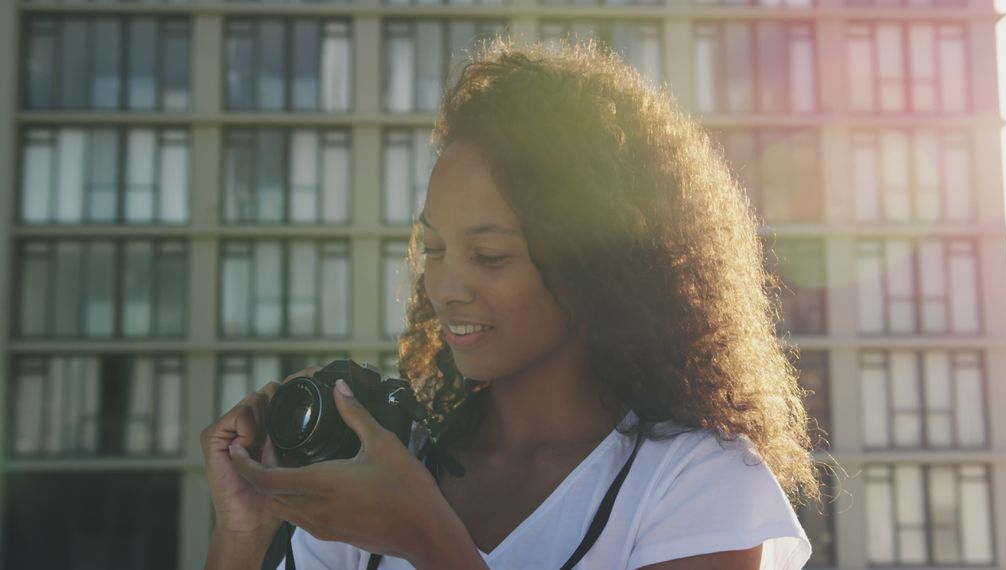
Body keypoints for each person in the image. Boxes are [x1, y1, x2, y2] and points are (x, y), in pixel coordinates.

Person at [201, 38, 821, 570]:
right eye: (435, 249)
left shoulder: (697, 485)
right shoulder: (380, 467)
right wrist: (243, 533)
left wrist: (428, 540)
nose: (446, 287)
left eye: (491, 256)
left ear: (595, 262)